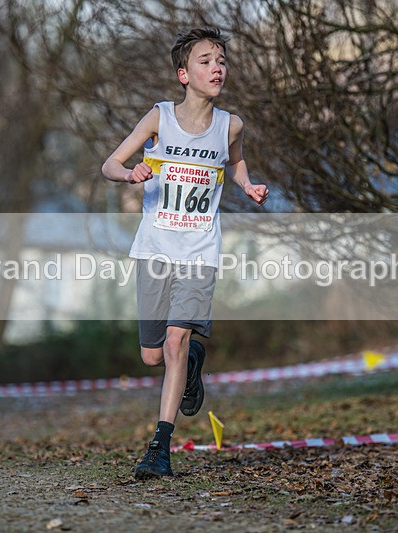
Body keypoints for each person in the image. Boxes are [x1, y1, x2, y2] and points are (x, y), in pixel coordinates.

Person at [101, 27, 268, 479]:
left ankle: (160, 446)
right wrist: (129, 174)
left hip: (199, 251)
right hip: (155, 248)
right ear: (183, 74)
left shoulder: (231, 124)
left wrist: (247, 184)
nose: (217, 67)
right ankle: (193, 362)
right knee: (153, 356)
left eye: (221, 60)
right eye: (206, 60)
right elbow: (110, 163)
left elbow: (233, 160)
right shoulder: (159, 118)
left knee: (176, 340)